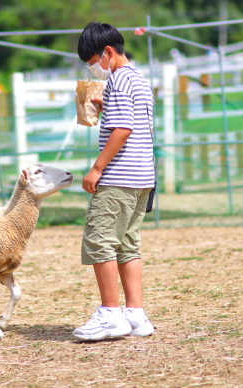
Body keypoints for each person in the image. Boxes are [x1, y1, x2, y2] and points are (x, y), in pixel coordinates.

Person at [72, 22, 156, 341]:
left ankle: (110, 314)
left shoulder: (117, 80)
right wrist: (103, 106)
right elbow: (132, 119)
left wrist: (96, 169)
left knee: (99, 239)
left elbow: (123, 129)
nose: (93, 68)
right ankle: (135, 315)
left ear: (108, 52)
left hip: (119, 176)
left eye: (93, 61)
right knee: (127, 245)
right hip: (142, 176)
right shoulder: (137, 78)